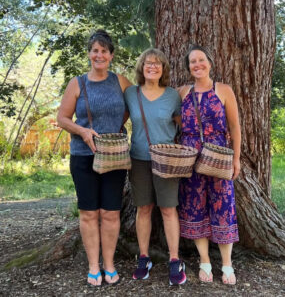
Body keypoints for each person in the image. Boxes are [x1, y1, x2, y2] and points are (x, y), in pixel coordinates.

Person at [57, 30, 131, 287]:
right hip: (83, 156)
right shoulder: (77, 83)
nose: (99, 55)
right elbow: (63, 119)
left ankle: (109, 264)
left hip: (114, 157)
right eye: (95, 51)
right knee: (89, 213)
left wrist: (113, 130)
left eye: (104, 51)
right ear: (89, 54)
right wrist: (83, 131)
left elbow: (133, 108)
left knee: (110, 213)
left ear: (111, 55)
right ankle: (93, 267)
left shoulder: (121, 81)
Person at [177, 45, 241, 285]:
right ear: (189, 67)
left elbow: (235, 128)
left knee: (223, 207)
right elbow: (172, 119)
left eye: (201, 60)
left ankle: (227, 264)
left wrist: (236, 159)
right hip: (190, 160)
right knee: (195, 208)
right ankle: (204, 260)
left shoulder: (223, 90)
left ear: (210, 63)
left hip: (219, 157)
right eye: (192, 61)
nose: (197, 64)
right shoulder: (182, 92)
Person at [124, 48, 186, 286]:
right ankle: (143, 258)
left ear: (163, 69)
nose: (152, 67)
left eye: (158, 64)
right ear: (141, 67)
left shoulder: (172, 96)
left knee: (169, 209)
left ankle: (174, 259)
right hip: (138, 159)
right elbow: (120, 120)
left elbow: (183, 125)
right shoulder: (131, 93)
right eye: (148, 63)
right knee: (144, 208)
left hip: (167, 160)